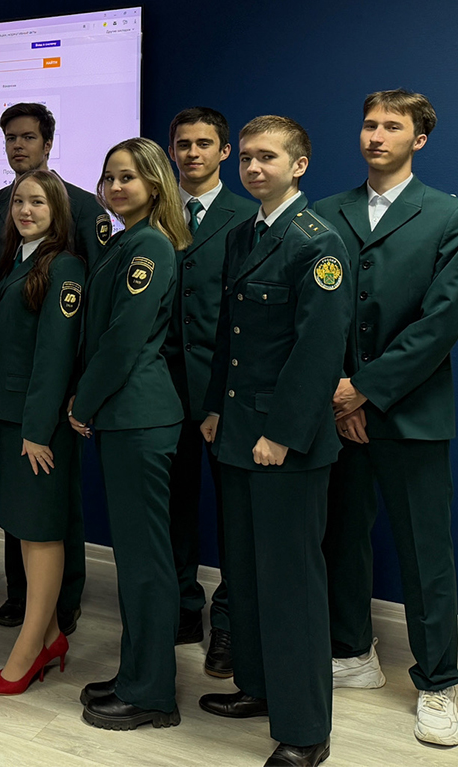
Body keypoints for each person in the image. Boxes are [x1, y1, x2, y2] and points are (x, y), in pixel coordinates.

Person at [317, 89, 458, 748]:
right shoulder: (326, 211)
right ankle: (354, 653)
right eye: (369, 124)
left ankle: (437, 682)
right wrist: (339, 394)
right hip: (339, 409)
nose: (376, 135)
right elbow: (319, 310)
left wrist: (366, 390)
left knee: (424, 551)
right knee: (342, 537)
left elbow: (442, 320)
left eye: (392, 125)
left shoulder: (451, 215)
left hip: (410, 413)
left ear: (419, 139)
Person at [198, 116, 351, 767]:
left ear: (299, 165)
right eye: (247, 158)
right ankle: (259, 688)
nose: (254, 168)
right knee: (247, 575)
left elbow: (319, 351)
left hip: (283, 444)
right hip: (236, 434)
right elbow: (228, 333)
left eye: (268, 157)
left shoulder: (318, 242)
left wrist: (281, 434)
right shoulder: (245, 234)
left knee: (291, 586)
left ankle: (305, 729)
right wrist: (213, 406)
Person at [69, 137, 191, 730]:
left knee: (146, 564)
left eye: (128, 177)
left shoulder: (150, 246)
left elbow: (122, 340)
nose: (116, 187)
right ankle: (135, 674)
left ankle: (152, 695)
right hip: (127, 416)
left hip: (138, 416)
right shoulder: (126, 241)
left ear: (155, 183)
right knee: (138, 561)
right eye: (109, 177)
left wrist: (82, 400)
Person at [0, 102, 107, 636]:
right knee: (17, 504)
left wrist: (80, 387)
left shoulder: (84, 206)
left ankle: (62, 598)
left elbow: (91, 306)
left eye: (28, 137)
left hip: (54, 388)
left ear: (48, 143)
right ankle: (21, 592)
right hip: (9, 384)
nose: (18, 145)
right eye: (10, 137)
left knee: (55, 503)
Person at [0, 170, 84, 694]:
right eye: (19, 201)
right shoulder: (16, 261)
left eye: (37, 202)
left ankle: (28, 650)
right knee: (24, 527)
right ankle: (48, 637)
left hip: (38, 427)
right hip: (10, 417)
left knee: (42, 532)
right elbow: (1, 344)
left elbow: (55, 356)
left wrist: (39, 430)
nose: (25, 210)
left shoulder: (64, 267)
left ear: (56, 210)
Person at [164, 107, 258, 677]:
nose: (192, 153)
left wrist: (224, 397)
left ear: (224, 151)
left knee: (234, 516)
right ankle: (180, 606)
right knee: (173, 507)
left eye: (204, 144)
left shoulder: (249, 216)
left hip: (227, 392)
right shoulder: (154, 213)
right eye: (183, 144)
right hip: (164, 390)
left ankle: (228, 620)